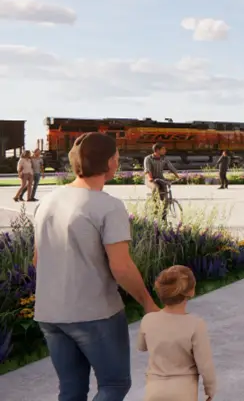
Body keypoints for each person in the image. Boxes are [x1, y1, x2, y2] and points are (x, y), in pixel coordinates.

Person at [34, 132, 160, 401]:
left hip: (50, 313)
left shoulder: (47, 201)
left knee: (71, 390)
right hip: (95, 314)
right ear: (111, 162)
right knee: (114, 385)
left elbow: (37, 259)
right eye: (116, 157)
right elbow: (122, 267)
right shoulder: (108, 206)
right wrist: (148, 303)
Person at [137, 265, 218, 401]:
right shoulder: (195, 324)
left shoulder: (148, 320)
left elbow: (141, 347)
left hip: (154, 390)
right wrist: (210, 389)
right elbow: (205, 364)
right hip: (183, 391)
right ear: (191, 291)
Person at [144, 143, 180, 211]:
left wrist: (178, 176)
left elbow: (171, 167)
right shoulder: (148, 158)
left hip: (160, 178)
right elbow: (147, 170)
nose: (165, 150)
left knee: (165, 197)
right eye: (163, 149)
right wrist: (150, 178)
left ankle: (163, 216)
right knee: (155, 187)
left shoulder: (164, 158)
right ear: (157, 150)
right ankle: (155, 208)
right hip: (150, 179)